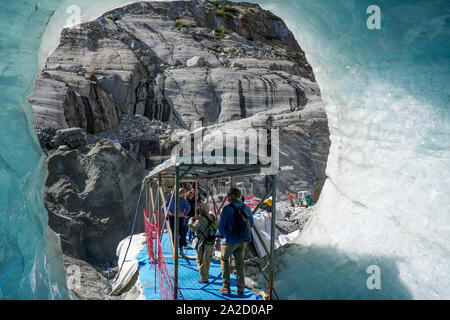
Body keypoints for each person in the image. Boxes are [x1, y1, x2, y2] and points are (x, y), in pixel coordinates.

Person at [217, 187, 254, 297]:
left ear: (232, 196)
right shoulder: (246, 208)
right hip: (243, 240)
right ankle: (240, 289)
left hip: (230, 240)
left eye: (228, 196)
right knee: (240, 264)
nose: (227, 198)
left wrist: (221, 237)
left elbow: (221, 227)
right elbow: (251, 224)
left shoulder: (227, 209)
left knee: (224, 261)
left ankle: (226, 287)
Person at [188, 202, 218, 283]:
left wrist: (190, 220)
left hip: (203, 243)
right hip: (211, 242)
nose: (199, 210)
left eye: (200, 208)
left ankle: (204, 278)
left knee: (200, 260)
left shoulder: (200, 219)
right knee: (207, 260)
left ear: (202, 210)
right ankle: (206, 276)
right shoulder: (212, 217)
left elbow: (192, 229)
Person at [164, 188, 190, 257]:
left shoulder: (169, 200)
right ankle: (181, 250)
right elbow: (188, 207)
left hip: (172, 217)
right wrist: (185, 213)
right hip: (180, 218)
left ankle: (175, 250)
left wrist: (166, 214)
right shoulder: (182, 200)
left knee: (174, 233)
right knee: (181, 233)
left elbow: (163, 207)